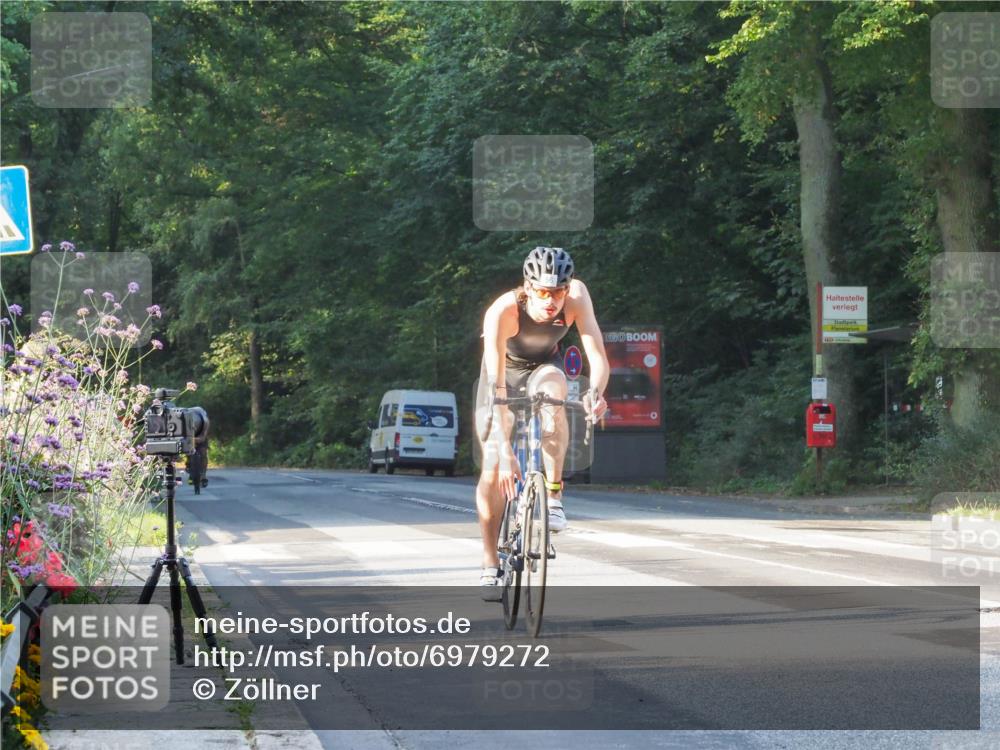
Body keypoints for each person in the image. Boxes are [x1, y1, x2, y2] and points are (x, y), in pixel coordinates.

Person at [475, 246, 609, 600]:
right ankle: (491, 563)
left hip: (542, 369)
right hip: (501, 376)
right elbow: (497, 389)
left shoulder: (577, 297)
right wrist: (505, 453)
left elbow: (597, 355)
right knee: (492, 469)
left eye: (558, 292)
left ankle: (553, 496)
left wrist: (595, 392)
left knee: (555, 392)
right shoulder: (504, 311)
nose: (552, 301)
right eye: (544, 292)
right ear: (528, 286)